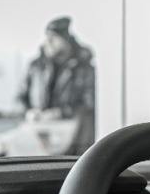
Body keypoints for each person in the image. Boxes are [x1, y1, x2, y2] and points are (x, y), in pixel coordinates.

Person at [17, 17, 96, 152]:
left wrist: (60, 113)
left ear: (64, 39)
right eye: (47, 37)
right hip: (38, 137)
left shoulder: (83, 67)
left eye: (53, 37)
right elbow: (20, 98)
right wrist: (28, 113)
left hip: (74, 141)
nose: (48, 42)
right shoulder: (36, 67)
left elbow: (88, 103)